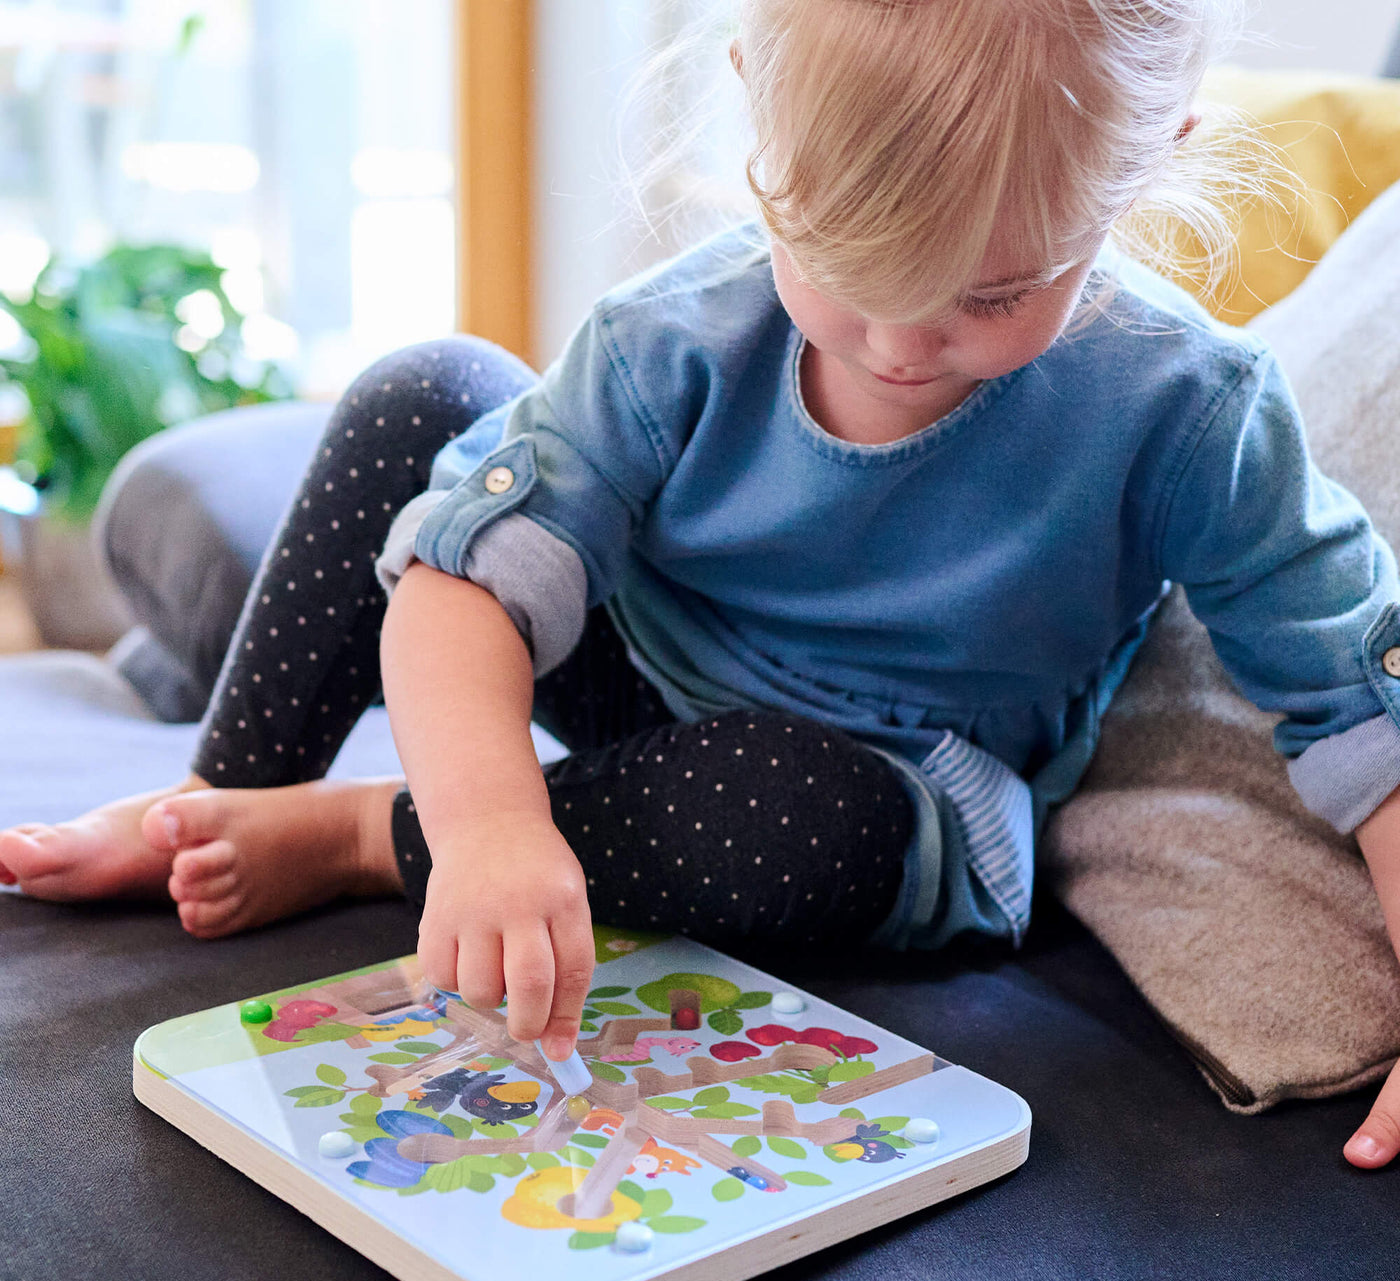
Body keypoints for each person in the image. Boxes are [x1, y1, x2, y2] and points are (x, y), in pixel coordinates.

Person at [3, 0, 1399, 1169]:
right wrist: (494, 822)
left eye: (993, 296)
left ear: (1152, 162)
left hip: (894, 787)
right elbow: (457, 588)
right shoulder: (674, 334)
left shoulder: (1191, 413)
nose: (903, 341)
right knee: (427, 392)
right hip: (645, 671)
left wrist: (444, 828)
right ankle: (224, 799)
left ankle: (364, 832)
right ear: (758, 127)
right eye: (843, 264)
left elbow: (1361, 700)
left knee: (804, 819)